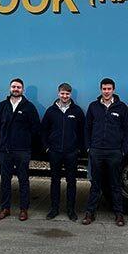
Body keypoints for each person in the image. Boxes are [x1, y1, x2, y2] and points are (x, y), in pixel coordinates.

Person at [82, 78, 128, 227]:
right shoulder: (93, 106)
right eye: (104, 89)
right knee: (95, 184)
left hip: (114, 152)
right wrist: (89, 147)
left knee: (115, 184)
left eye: (109, 89)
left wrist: (123, 150)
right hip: (96, 151)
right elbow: (87, 128)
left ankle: (119, 214)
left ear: (113, 90)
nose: (106, 91)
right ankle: (90, 213)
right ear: (101, 90)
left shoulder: (122, 107)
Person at [0, 78, 40, 222]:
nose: (16, 89)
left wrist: (25, 141)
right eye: (13, 87)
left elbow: (35, 128)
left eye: (18, 87)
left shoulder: (29, 107)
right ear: (9, 88)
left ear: (23, 90)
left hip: (22, 151)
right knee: (5, 181)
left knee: (23, 181)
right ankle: (5, 208)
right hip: (5, 150)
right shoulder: (3, 106)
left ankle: (23, 209)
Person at [41, 83, 85, 221]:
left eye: (67, 94)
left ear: (70, 94)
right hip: (55, 152)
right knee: (55, 181)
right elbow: (43, 130)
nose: (65, 96)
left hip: (71, 152)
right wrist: (47, 147)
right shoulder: (51, 111)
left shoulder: (77, 111)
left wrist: (78, 149)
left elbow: (83, 131)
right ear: (58, 93)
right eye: (62, 93)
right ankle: (54, 209)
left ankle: (71, 210)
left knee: (71, 182)